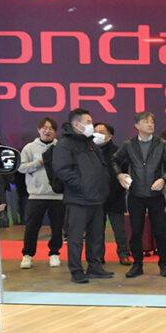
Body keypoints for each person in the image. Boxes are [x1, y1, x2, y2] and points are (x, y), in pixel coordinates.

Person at [111, 111, 166, 278]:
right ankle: (137, 264)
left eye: (152, 122)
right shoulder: (128, 145)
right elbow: (114, 161)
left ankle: (163, 264)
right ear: (137, 126)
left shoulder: (162, 144)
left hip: (156, 195)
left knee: (160, 231)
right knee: (136, 232)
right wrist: (119, 175)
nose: (150, 124)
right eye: (146, 122)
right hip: (136, 195)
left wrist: (163, 179)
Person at [54, 108, 114, 284]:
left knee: (96, 236)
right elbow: (63, 170)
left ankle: (94, 267)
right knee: (75, 237)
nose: (91, 126)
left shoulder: (90, 143)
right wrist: (82, 186)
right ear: (76, 124)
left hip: (97, 198)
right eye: (88, 122)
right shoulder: (64, 144)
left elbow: (101, 166)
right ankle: (76, 270)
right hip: (78, 199)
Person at [18, 117, 65, 269]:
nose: (47, 131)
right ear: (39, 130)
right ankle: (27, 255)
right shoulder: (29, 148)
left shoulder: (61, 147)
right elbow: (21, 168)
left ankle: (54, 253)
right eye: (44, 128)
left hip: (57, 195)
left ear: (55, 132)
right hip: (36, 195)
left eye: (51, 128)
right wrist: (38, 163)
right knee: (31, 227)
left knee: (57, 227)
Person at [94, 123, 133, 265]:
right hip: (96, 197)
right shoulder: (89, 151)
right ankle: (98, 256)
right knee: (97, 230)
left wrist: (121, 188)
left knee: (119, 229)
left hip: (115, 196)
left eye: (101, 132)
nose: (97, 134)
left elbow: (125, 172)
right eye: (95, 131)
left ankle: (124, 254)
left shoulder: (118, 152)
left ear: (110, 136)